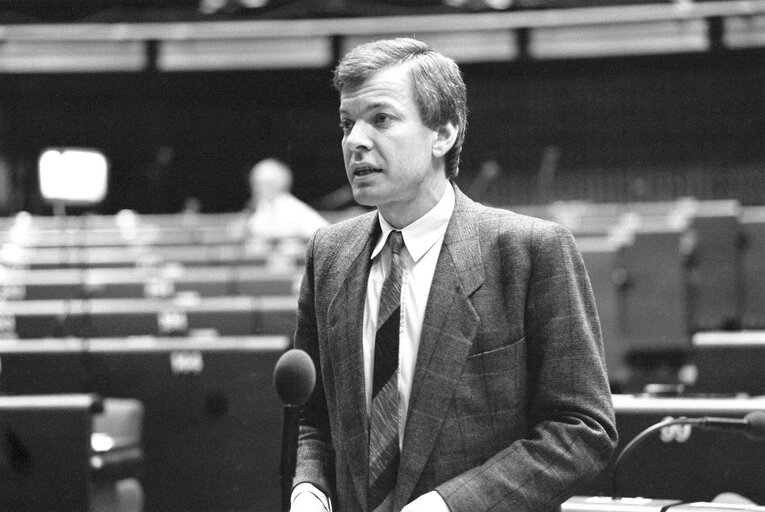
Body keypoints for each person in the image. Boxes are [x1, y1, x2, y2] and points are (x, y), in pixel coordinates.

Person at [291, 38, 617, 512]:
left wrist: (450, 506)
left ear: (442, 134)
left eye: (380, 119)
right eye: (347, 123)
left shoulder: (530, 251)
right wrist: (310, 490)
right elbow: (314, 417)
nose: (354, 140)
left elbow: (581, 429)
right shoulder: (328, 253)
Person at [243, 158, 329, 242]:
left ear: (279, 183)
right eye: (255, 183)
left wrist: (298, 246)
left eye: (265, 183)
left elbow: (325, 237)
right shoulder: (262, 208)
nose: (257, 188)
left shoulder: (292, 208)